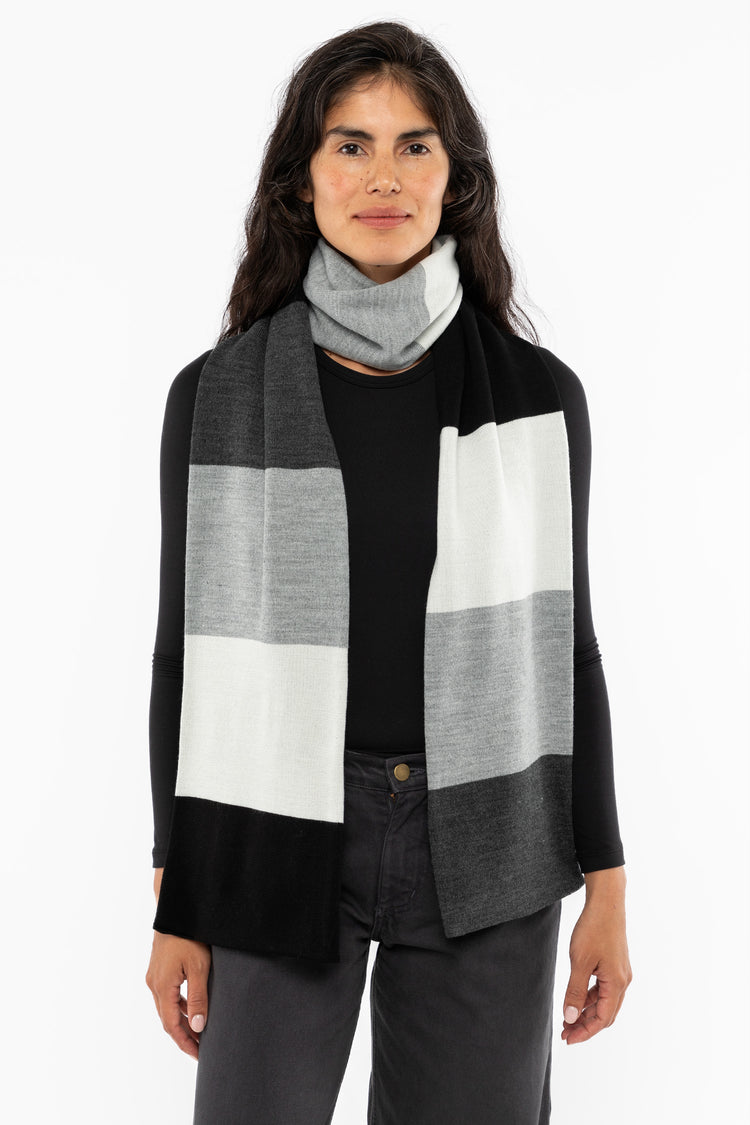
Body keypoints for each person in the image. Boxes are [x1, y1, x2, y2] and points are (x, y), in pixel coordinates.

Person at [145, 20, 632, 1125]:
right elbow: (183, 657)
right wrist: (176, 889)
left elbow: (572, 650)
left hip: (492, 825)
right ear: (302, 178)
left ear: (454, 178)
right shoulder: (215, 396)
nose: (384, 177)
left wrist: (607, 882)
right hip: (273, 823)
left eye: (415, 146)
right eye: (350, 146)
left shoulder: (538, 397)